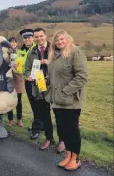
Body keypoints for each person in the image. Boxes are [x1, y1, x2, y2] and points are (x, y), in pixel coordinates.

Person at [45, 30, 87, 171]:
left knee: (71, 129)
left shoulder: (75, 52)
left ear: (68, 39)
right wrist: (43, 80)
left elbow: (82, 77)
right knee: (63, 129)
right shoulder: (54, 56)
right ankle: (68, 155)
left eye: (62, 39)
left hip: (70, 101)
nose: (59, 42)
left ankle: (75, 158)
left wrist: (65, 91)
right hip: (56, 101)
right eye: (56, 40)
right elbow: (53, 78)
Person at [24, 28, 64, 152]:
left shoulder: (55, 49)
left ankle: (62, 140)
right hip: (40, 88)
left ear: (45, 36)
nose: (39, 39)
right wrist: (29, 76)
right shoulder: (32, 53)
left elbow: (64, 67)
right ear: (34, 38)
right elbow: (26, 69)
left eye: (41, 36)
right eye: (36, 37)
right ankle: (49, 138)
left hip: (55, 87)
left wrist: (49, 63)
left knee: (59, 114)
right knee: (45, 115)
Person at [7, 37, 24, 127]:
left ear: (17, 43)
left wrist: (18, 66)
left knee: (19, 100)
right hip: (9, 78)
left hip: (18, 78)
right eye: (11, 42)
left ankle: (19, 119)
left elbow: (23, 65)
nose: (13, 43)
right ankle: (10, 120)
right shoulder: (6, 53)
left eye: (14, 42)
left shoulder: (21, 53)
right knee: (10, 100)